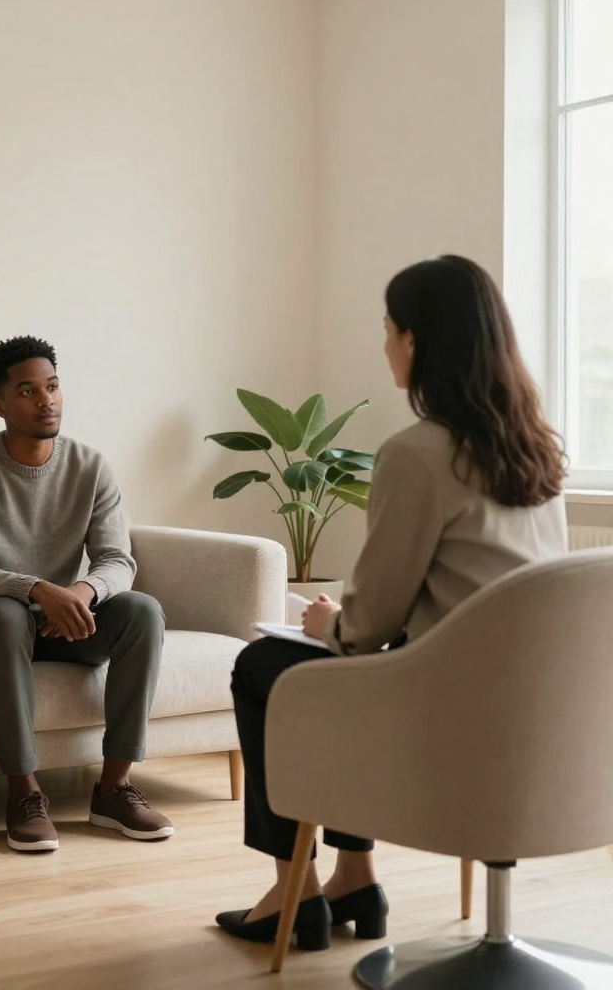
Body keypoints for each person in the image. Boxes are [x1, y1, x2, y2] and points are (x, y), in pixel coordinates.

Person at [216, 256, 568, 946]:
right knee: (349, 678)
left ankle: (295, 890)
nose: (384, 345)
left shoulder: (418, 454)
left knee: (263, 668)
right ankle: (357, 876)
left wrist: (327, 621)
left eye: (387, 329)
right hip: (540, 716)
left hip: (447, 718)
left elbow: (368, 626)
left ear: (415, 341)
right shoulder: (538, 453)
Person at [0, 335, 173, 852]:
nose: (46, 400)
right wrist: (41, 590)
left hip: (63, 620)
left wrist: (83, 591)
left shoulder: (91, 466)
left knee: (142, 612)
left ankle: (114, 786)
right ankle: (23, 791)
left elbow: (118, 560)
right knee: (5, 615)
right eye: (27, 391)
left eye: (53, 386)